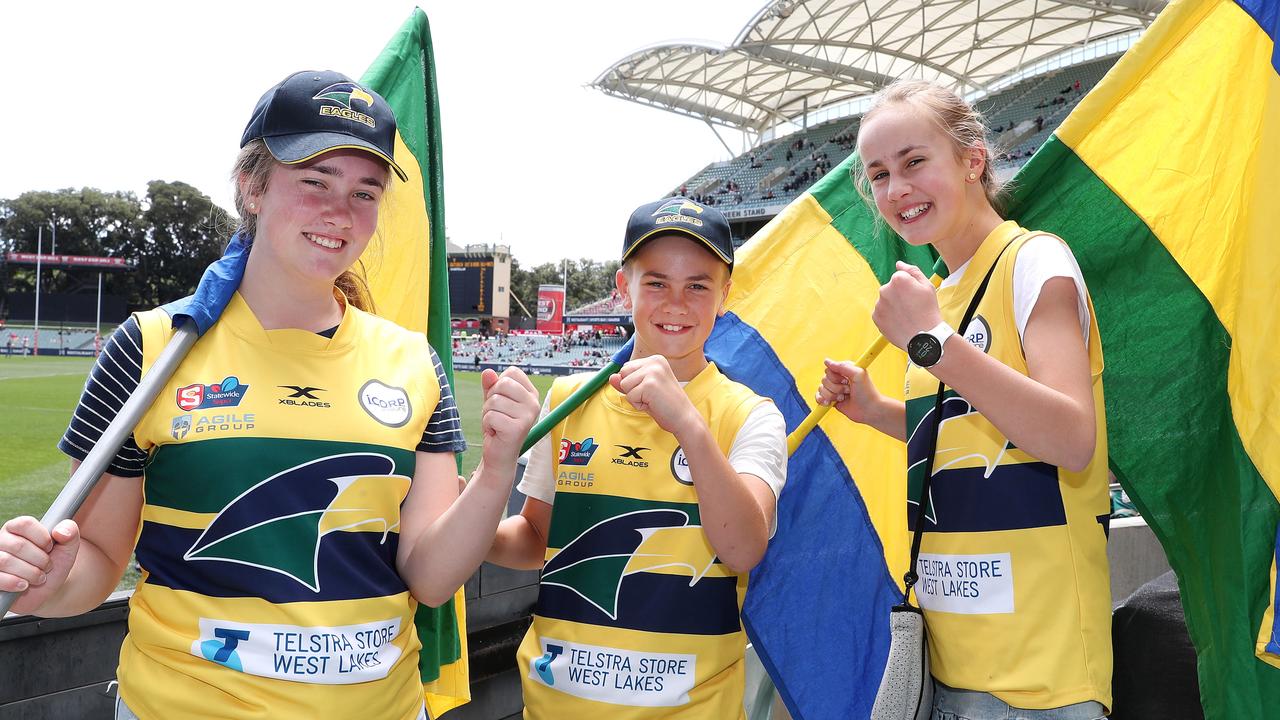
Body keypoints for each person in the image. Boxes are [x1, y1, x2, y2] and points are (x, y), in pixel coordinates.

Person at [0, 70, 540, 720]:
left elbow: (428, 576)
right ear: (252, 186)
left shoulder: (411, 363)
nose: (340, 213)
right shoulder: (148, 350)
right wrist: (52, 583)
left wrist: (496, 471)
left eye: (365, 193)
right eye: (314, 182)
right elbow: (97, 558)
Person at [816, 80, 1110, 719]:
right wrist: (876, 410)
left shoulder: (1035, 260)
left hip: (1040, 681)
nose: (896, 190)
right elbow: (968, 428)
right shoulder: (939, 296)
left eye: (914, 162)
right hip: (948, 667)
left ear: (973, 160)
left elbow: (1070, 437)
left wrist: (930, 341)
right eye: (879, 174)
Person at [487, 197, 787, 718]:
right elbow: (537, 540)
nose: (676, 302)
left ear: (725, 296)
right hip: (557, 705)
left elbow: (742, 550)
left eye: (698, 285)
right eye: (656, 283)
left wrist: (688, 425)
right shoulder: (567, 399)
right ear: (623, 287)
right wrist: (469, 516)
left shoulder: (752, 415)